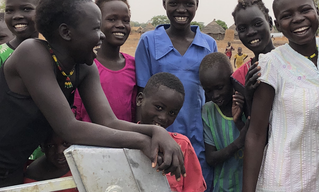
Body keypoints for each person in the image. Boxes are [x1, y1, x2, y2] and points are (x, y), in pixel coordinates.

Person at [0, 0, 185, 187]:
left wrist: (156, 131)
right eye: (96, 28)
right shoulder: (32, 54)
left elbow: (108, 121)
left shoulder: (84, 68)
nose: (102, 36)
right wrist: (141, 141)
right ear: (66, 32)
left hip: (11, 169)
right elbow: (70, 129)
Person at [135, 0, 217, 190]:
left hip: (199, 142)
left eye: (188, 3)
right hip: (157, 142)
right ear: (164, 4)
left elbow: (213, 98)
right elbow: (141, 98)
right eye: (174, 3)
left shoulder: (208, 45)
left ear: (197, 4)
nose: (181, 9)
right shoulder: (148, 42)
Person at [243, 0, 319, 191]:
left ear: (316, 12)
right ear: (277, 25)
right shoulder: (271, 64)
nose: (298, 19)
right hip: (286, 180)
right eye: (287, 16)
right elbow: (256, 134)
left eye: (305, 10)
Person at [136, 72, 206, 192]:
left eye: (172, 113)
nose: (163, 117)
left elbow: (193, 188)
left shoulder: (182, 147)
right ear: (140, 100)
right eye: (159, 107)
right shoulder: (124, 142)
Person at [73, 0, 136, 123]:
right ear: (97, 23)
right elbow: (75, 111)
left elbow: (135, 109)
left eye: (126, 20)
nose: (120, 25)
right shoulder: (84, 64)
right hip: (87, 140)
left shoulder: (134, 66)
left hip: (126, 139)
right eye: (112, 19)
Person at [199, 52, 248, 192]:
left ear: (231, 79)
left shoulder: (247, 105)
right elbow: (211, 158)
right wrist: (238, 143)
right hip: (222, 188)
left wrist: (239, 123)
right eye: (208, 91)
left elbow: (258, 145)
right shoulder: (208, 112)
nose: (215, 96)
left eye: (220, 88)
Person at [231, 0, 275, 114]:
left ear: (270, 23)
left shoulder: (293, 62)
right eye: (242, 29)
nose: (250, 32)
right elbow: (248, 123)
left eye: (257, 24)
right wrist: (249, 96)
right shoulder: (240, 77)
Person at [0, 0, 39, 67]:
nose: (17, 16)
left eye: (26, 9)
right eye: (9, 10)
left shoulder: (53, 50)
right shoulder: (1, 54)